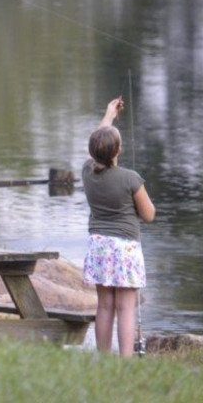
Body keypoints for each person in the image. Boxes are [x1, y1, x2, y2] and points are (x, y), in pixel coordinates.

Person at [82, 97, 155, 357]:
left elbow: (97, 144)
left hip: (99, 245)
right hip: (125, 249)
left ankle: (104, 359)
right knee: (125, 307)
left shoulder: (87, 172)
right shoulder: (130, 179)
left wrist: (109, 114)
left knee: (104, 306)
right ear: (117, 152)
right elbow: (149, 215)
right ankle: (125, 362)